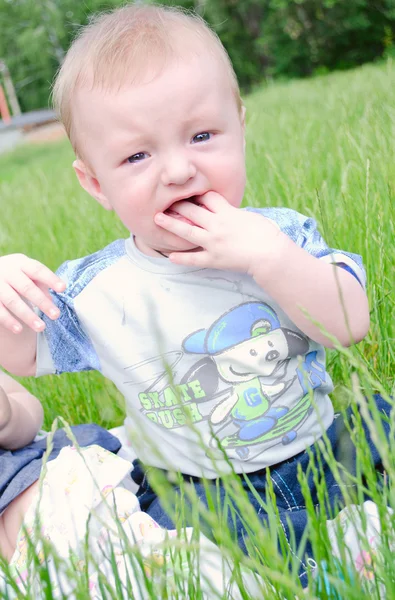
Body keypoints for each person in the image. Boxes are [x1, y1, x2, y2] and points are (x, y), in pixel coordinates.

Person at [0, 3, 388, 588]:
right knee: (219, 565)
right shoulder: (99, 288)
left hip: (320, 451)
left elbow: (349, 320)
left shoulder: (282, 235)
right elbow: (21, 357)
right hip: (197, 490)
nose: (179, 169)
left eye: (202, 135)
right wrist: (6, 296)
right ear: (96, 183)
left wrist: (269, 258)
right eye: (138, 155)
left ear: (240, 125)